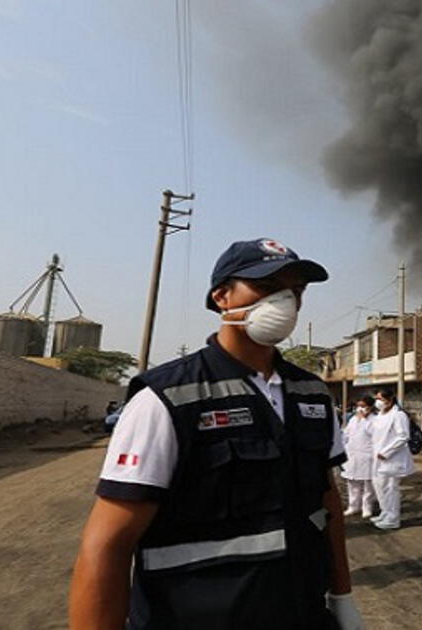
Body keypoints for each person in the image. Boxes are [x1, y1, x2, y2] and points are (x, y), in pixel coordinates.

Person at [69, 238, 364, 630]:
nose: (286, 302)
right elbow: (107, 544)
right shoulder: (166, 398)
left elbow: (326, 503)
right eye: (268, 287)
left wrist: (341, 597)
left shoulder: (312, 393)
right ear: (222, 297)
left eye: (296, 291)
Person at [369, 389, 415, 530]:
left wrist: (387, 452)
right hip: (378, 458)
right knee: (379, 486)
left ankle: (393, 519)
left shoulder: (398, 415)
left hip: (392, 459)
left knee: (390, 488)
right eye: (376, 398)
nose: (378, 401)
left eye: (381, 399)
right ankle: (385, 512)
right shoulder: (380, 415)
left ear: (389, 400)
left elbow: (403, 436)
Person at [340, 396, 377, 518]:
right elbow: (346, 434)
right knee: (352, 483)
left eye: (363, 406)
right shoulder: (353, 420)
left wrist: (364, 420)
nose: (360, 409)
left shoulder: (374, 420)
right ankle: (353, 506)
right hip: (352, 455)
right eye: (358, 406)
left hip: (367, 455)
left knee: (368, 484)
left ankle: (367, 508)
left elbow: (375, 435)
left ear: (370, 407)